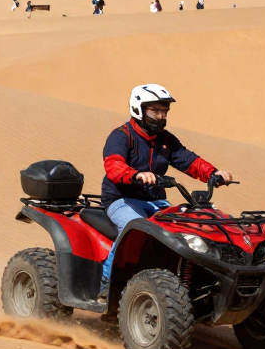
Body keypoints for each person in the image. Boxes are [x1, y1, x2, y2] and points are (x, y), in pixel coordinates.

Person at [99, 84, 233, 298]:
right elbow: (114, 165)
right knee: (134, 228)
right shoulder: (122, 136)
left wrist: (213, 173)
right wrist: (135, 175)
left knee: (186, 228)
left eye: (164, 112)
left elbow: (189, 160)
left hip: (155, 202)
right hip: (121, 199)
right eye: (155, 111)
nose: (161, 116)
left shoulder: (165, 139)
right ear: (139, 109)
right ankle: (105, 283)